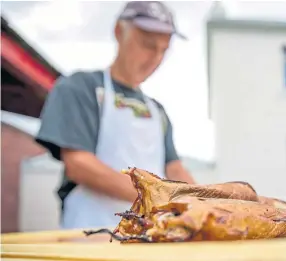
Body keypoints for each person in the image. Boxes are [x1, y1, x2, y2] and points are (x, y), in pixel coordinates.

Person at [35, 1, 195, 230]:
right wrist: (158, 199)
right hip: (89, 235)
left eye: (164, 50)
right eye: (148, 45)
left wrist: (204, 203)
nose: (156, 58)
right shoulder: (81, 89)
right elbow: (79, 164)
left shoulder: (157, 111)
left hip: (149, 237)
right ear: (119, 32)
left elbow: (175, 169)